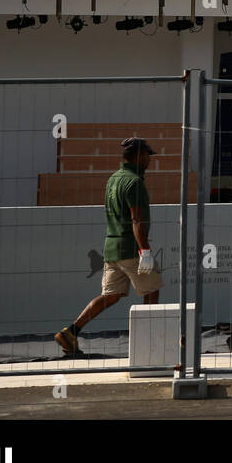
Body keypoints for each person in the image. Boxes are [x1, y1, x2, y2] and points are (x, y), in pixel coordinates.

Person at [54, 138, 164, 355]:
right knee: (152, 290)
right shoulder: (134, 182)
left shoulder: (113, 179)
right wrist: (145, 251)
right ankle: (148, 343)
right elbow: (136, 220)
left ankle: (71, 331)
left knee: (111, 295)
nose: (149, 161)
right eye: (147, 156)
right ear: (139, 156)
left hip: (112, 249)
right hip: (131, 248)